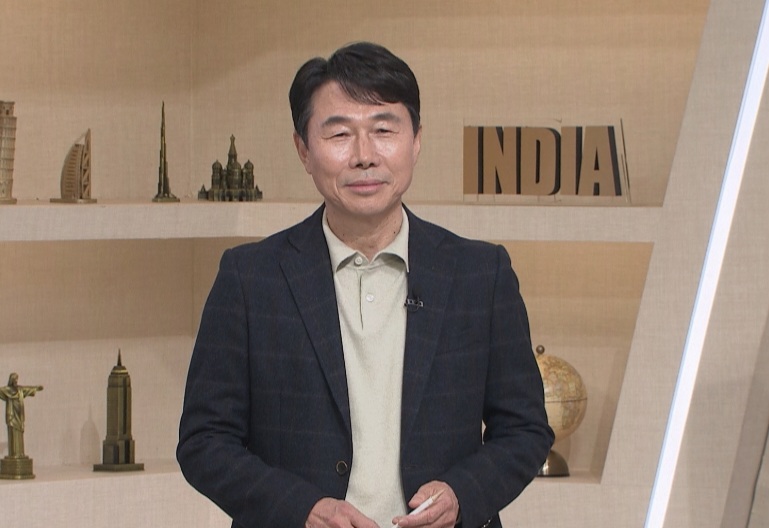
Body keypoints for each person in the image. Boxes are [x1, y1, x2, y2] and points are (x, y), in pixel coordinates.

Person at [177, 41, 553, 528]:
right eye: (339, 134)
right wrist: (300, 509)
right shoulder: (250, 278)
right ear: (303, 150)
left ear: (416, 141)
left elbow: (524, 429)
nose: (364, 156)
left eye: (383, 130)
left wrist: (462, 494)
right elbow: (204, 441)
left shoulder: (481, 274)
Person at [0, 372, 43, 459]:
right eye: (15, 379)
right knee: (12, 432)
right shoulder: (6, 390)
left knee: (19, 432)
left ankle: (19, 453)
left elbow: (27, 389)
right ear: (11, 380)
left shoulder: (20, 390)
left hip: (19, 414)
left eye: (17, 379)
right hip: (11, 414)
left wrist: (36, 388)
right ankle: (13, 454)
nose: (16, 381)